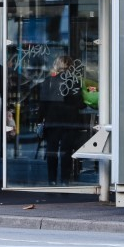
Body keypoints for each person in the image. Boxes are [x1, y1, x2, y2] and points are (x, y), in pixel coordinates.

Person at [38, 55, 84, 186]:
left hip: (52, 121)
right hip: (70, 121)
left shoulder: (48, 81)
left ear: (56, 65)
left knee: (51, 151)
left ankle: (52, 180)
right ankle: (65, 180)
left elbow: (43, 103)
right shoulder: (75, 82)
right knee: (66, 152)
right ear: (70, 67)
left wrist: (40, 120)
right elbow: (80, 104)